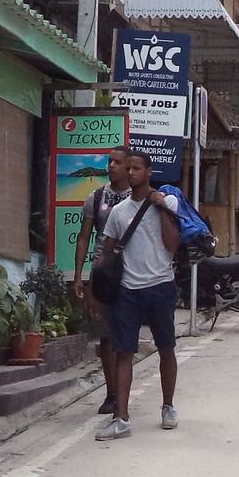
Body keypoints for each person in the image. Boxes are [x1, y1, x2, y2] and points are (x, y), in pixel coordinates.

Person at [94, 150, 180, 441]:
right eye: (126, 168)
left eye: (135, 169)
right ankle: (121, 418)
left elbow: (172, 245)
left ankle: (168, 406)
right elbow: (107, 251)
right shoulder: (119, 212)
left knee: (166, 348)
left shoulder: (167, 202)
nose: (129, 174)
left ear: (149, 172)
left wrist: (162, 209)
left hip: (160, 286)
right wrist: (97, 288)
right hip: (128, 289)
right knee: (124, 352)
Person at [72, 147, 131, 416]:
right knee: (105, 336)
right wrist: (79, 277)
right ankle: (111, 392)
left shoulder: (137, 197)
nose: (111, 166)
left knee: (124, 335)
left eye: (117, 162)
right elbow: (84, 237)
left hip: (131, 273)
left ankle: (122, 390)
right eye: (109, 161)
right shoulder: (96, 198)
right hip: (103, 273)